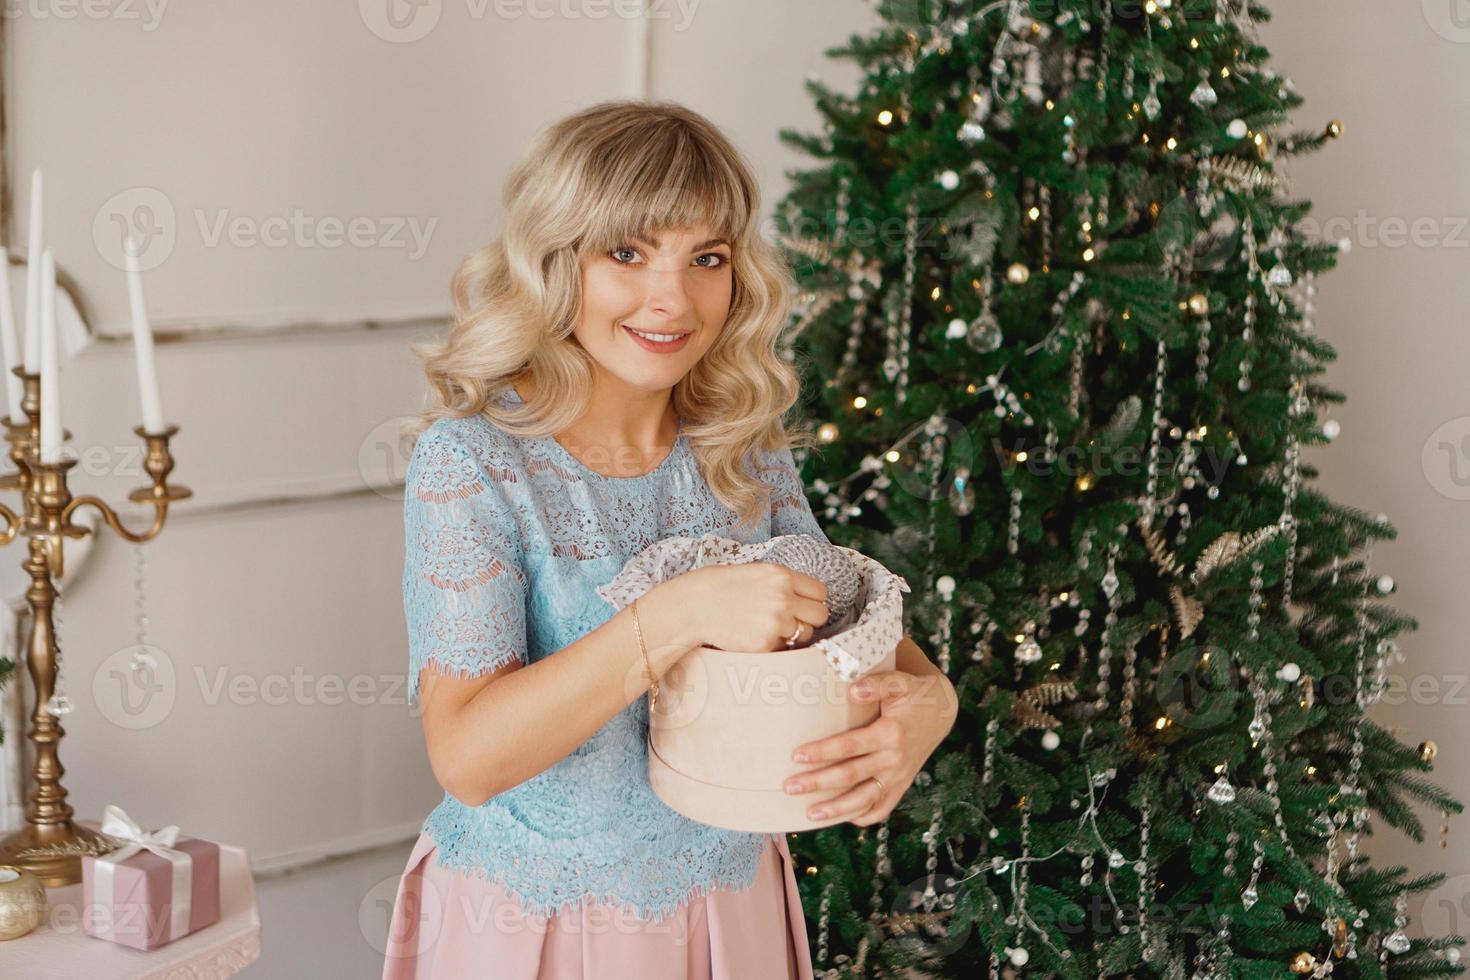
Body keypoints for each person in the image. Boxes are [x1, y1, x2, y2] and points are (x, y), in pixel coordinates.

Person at [381, 99, 958, 979]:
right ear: (554, 261)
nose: (673, 298)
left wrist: (932, 704)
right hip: (537, 929)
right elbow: (467, 759)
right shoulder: (474, 463)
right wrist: (673, 616)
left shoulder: (743, 447)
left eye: (707, 258)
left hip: (734, 912)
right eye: (627, 253)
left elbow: (861, 637)